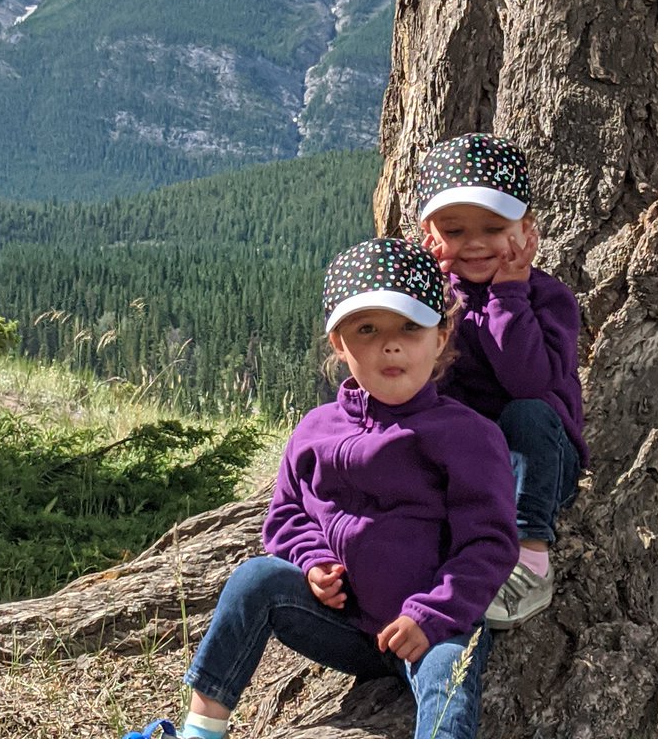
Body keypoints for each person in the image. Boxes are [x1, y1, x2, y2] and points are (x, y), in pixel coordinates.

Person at [122, 238, 518, 739]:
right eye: (367, 329)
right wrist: (312, 564)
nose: (390, 345)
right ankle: (201, 728)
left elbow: (488, 543)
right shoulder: (316, 430)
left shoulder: (466, 435)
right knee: (255, 580)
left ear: (441, 337)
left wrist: (431, 615)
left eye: (411, 328)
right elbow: (286, 516)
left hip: (434, 630)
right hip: (347, 628)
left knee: (449, 685)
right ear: (338, 342)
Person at [417, 132, 589, 630]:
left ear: (526, 231)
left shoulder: (547, 298)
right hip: (471, 463)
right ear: (431, 235)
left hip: (537, 461)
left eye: (493, 228)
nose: (473, 243)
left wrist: (508, 296)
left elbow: (527, 380)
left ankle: (529, 558)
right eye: (454, 229)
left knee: (528, 413)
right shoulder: (429, 304)